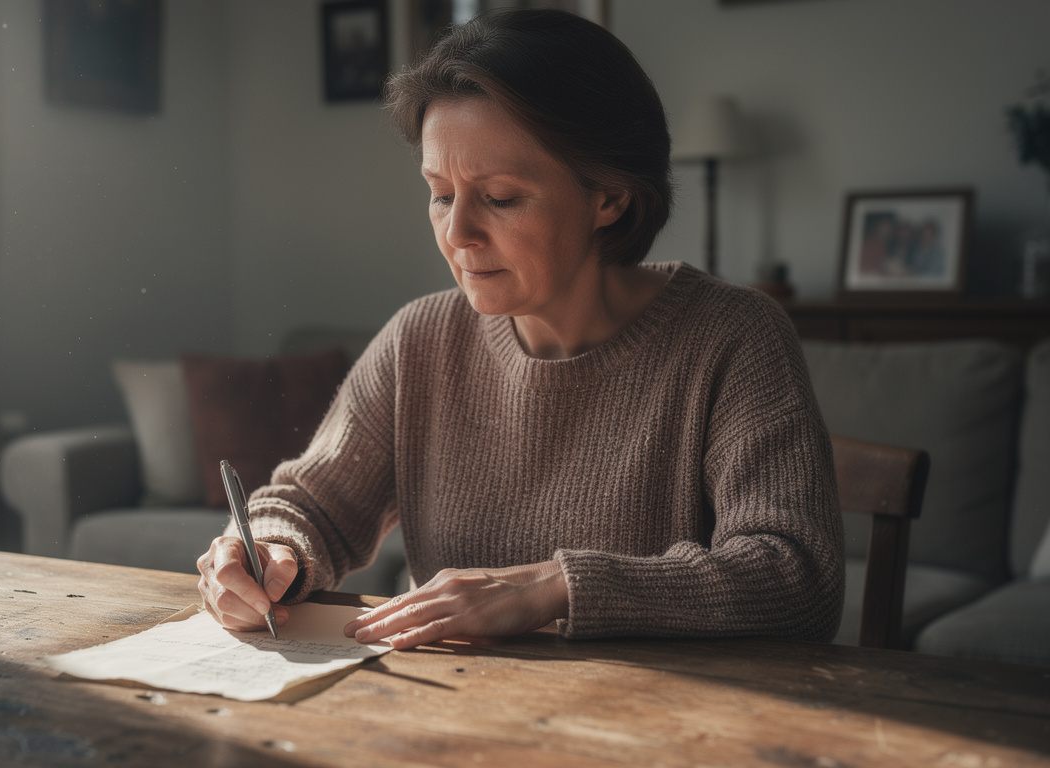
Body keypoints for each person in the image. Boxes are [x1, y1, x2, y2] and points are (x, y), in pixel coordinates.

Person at [197, 9, 844, 649]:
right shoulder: (419, 339)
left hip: (659, 710)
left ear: (609, 196)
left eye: (500, 198)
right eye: (441, 193)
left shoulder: (734, 337)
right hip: (453, 702)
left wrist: (552, 587)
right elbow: (310, 506)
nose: (458, 233)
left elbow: (798, 578)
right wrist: (266, 550)